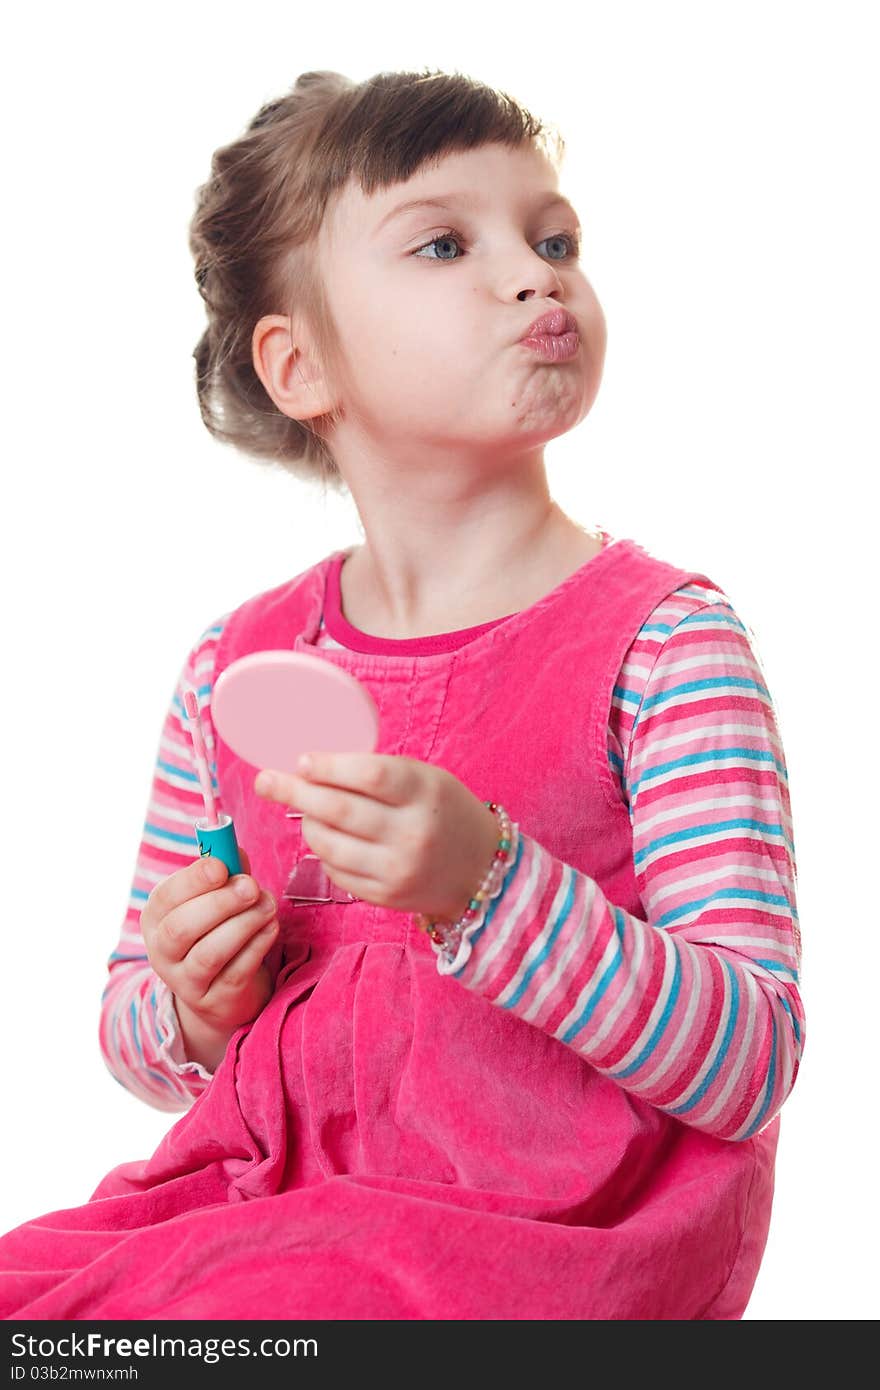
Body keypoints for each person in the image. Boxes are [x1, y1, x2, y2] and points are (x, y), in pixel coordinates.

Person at [0, 67, 804, 1321]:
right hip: (270, 1203)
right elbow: (132, 1033)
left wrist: (489, 883)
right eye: (445, 242)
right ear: (300, 365)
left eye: (554, 239)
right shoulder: (234, 668)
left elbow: (748, 1062)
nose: (536, 274)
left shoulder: (661, 645)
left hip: (546, 1235)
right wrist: (196, 1001)